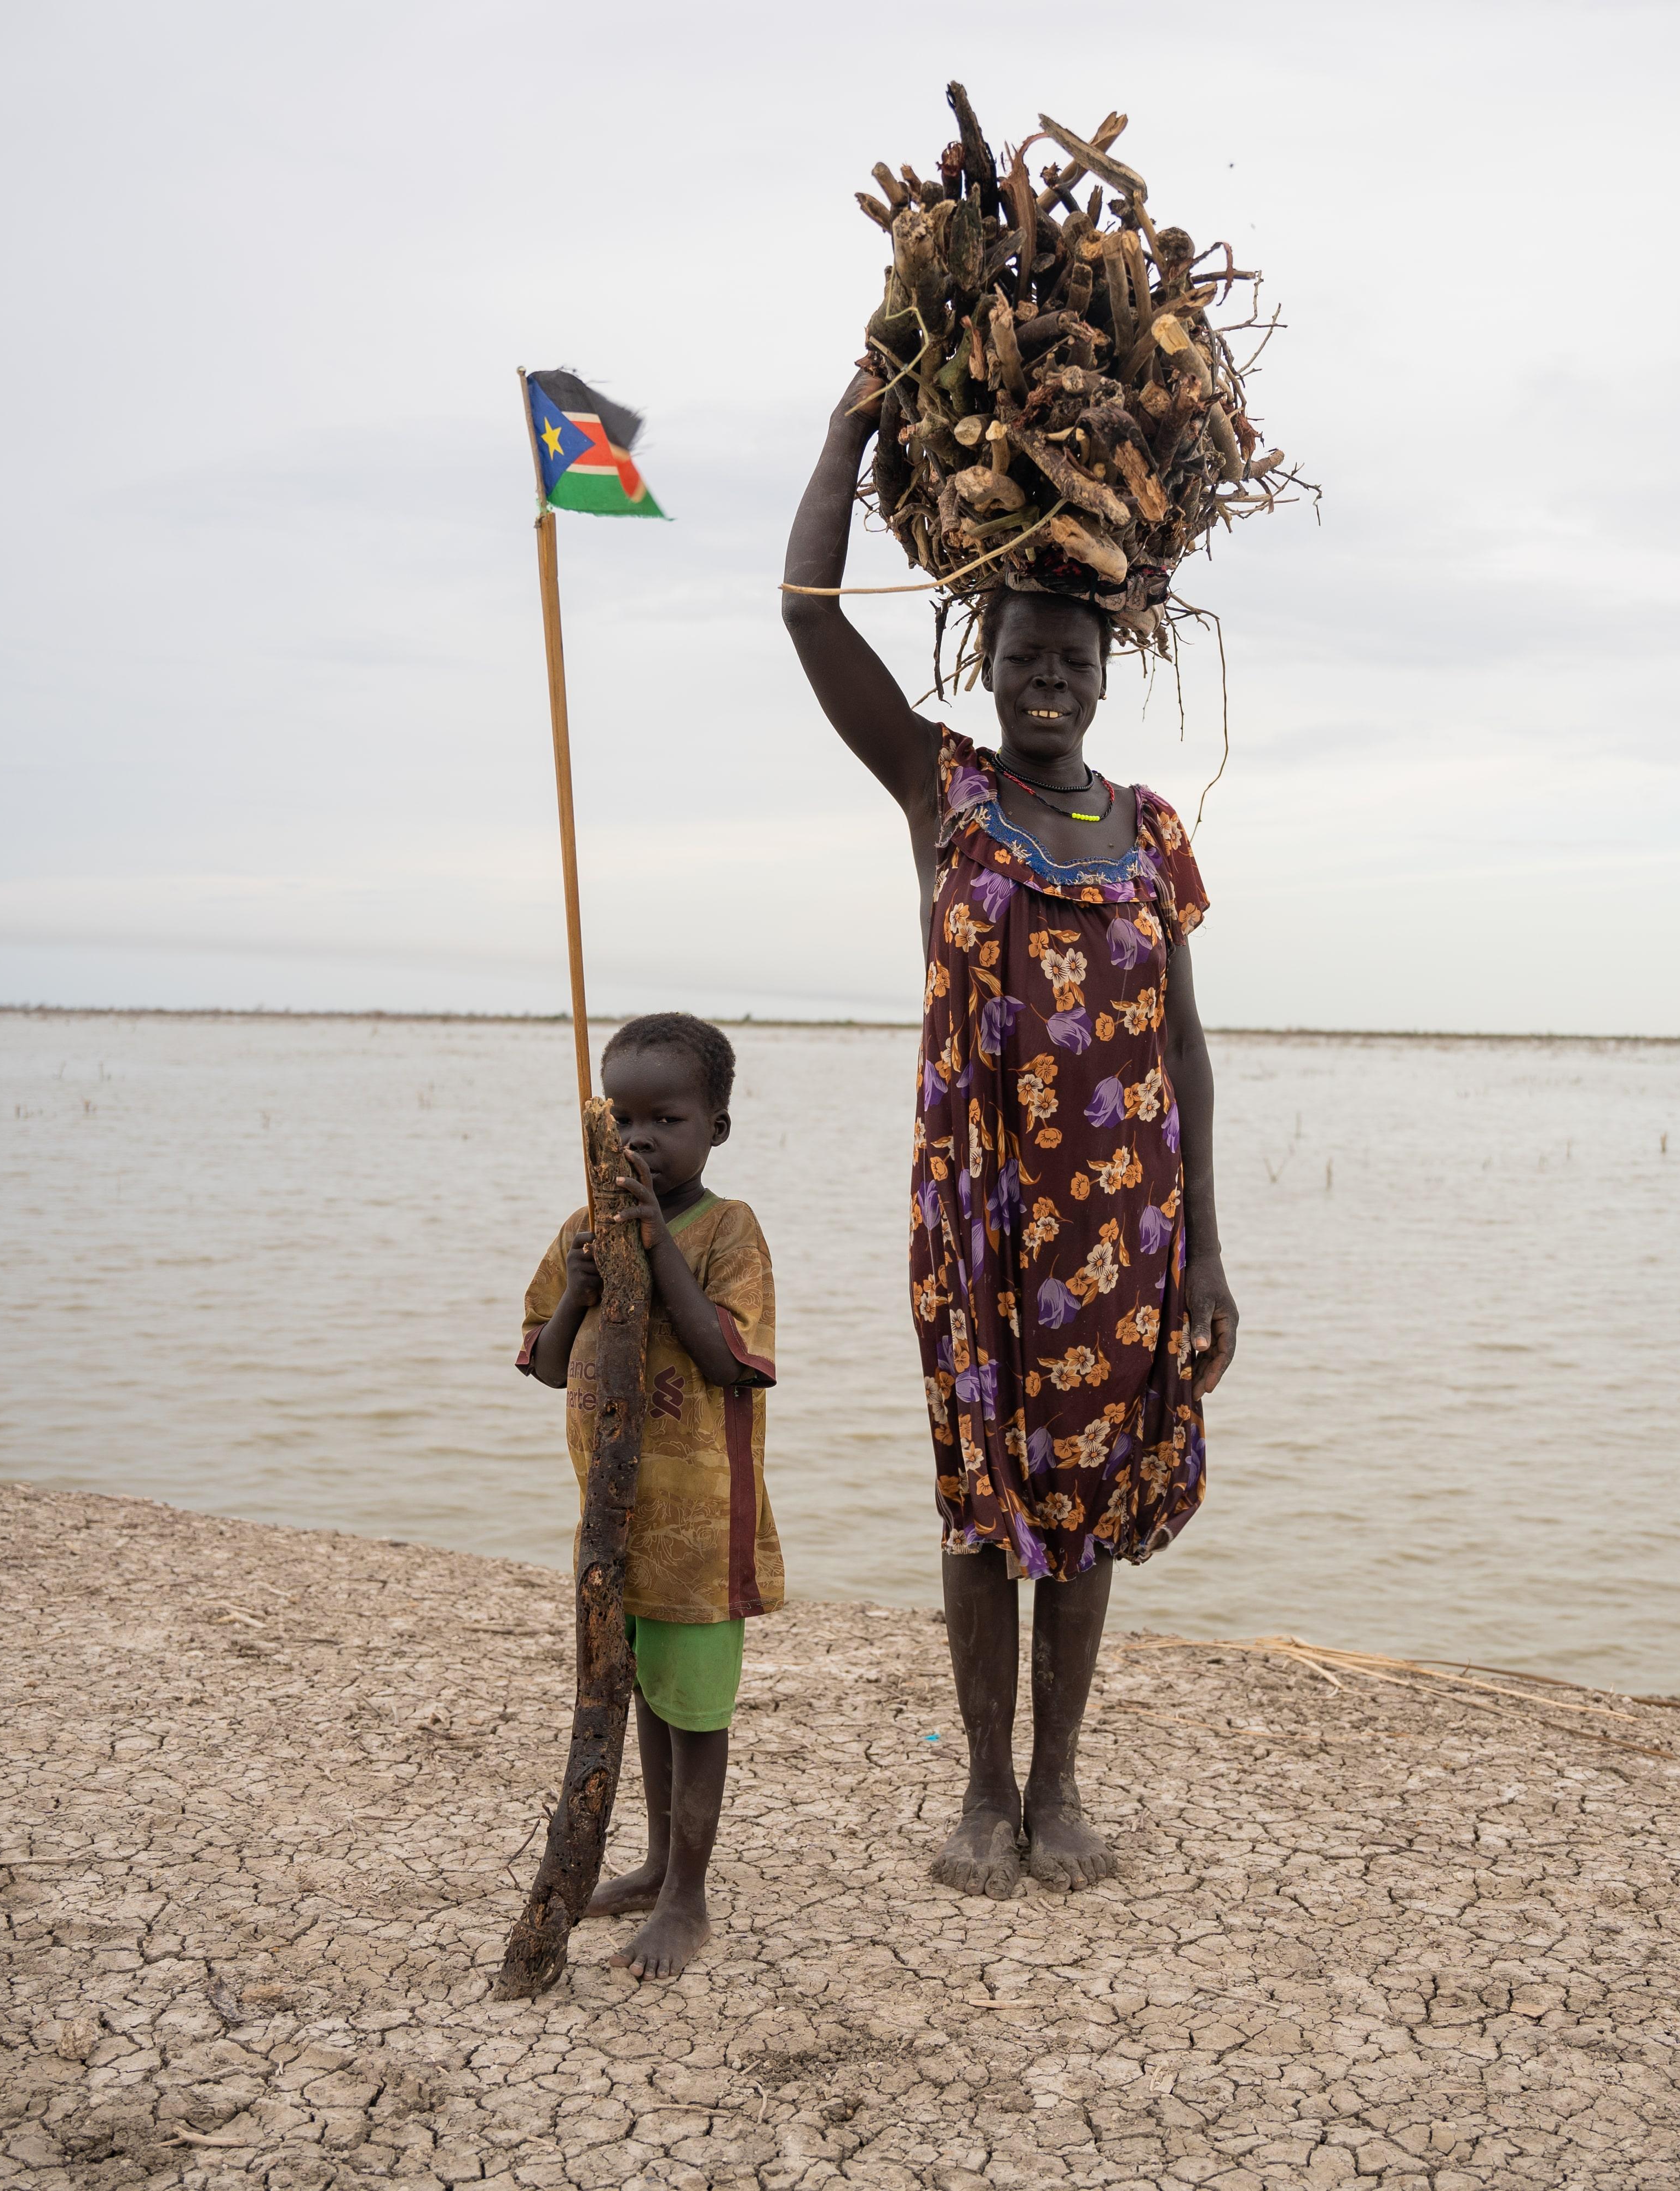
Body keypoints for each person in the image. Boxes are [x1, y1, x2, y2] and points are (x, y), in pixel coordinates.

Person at [780, 368, 1239, 1898]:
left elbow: (1181, 1044)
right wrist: (848, 434)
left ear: (1109, 675)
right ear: (989, 661)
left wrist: (1213, 1260)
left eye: (1073, 662)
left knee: (1091, 1502)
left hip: (1126, 1225)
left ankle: (1061, 1792)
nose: (1047, 681)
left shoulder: (1151, 830)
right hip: (978, 1207)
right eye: (1024, 656)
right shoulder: (943, 790)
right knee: (985, 1500)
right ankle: (981, 1796)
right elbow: (805, 615)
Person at [517, 1012, 780, 1977]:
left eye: (664, 1120)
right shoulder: (581, 1233)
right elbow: (546, 1366)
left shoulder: (727, 1231)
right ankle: (656, 1862)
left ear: (715, 1126)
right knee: (639, 1702)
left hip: (701, 1538)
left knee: (693, 1714)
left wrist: (651, 1246)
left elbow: (729, 1360)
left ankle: (688, 1898)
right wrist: (587, 1283)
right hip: (610, 1534)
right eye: (620, 1123)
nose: (638, 1142)